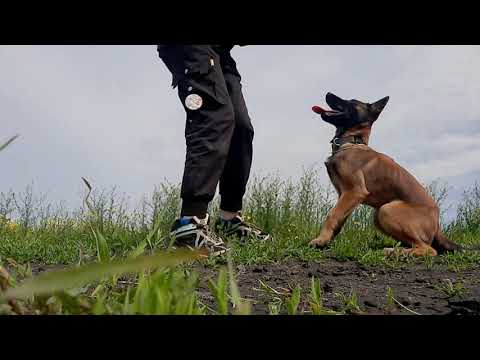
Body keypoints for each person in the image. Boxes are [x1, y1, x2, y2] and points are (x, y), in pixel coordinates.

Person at [157, 45, 270, 256]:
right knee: (214, 117)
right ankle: (189, 226)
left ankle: (229, 220)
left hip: (220, 51)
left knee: (240, 127)